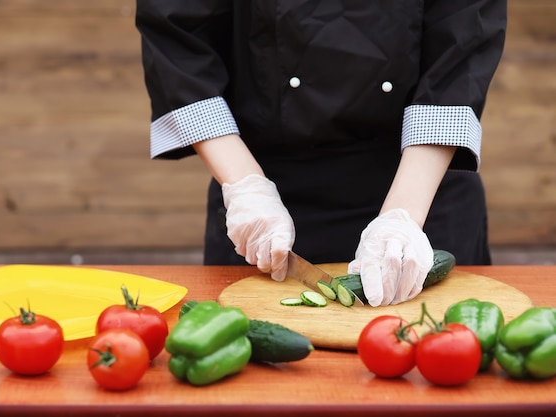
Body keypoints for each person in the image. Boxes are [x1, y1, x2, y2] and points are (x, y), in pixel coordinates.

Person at [134, 1, 507, 306]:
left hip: (422, 200)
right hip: (265, 204)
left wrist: (402, 219)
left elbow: (463, 40)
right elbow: (176, 36)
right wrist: (245, 185)